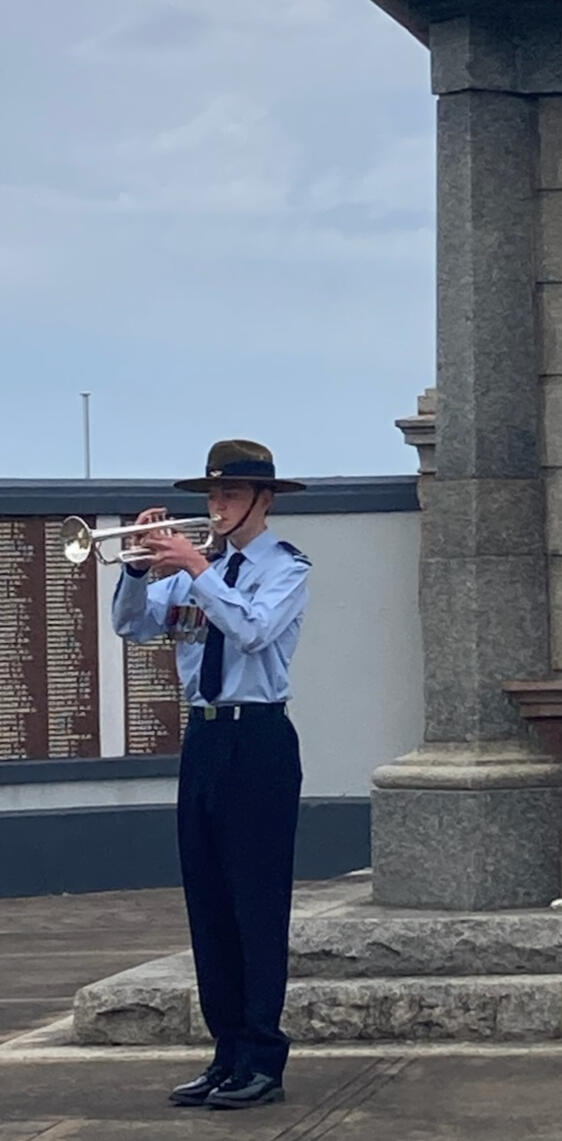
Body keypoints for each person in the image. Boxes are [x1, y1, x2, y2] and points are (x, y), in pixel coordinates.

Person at [112, 439, 309, 1110]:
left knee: (256, 903)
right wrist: (138, 568)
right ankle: (226, 1053)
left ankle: (262, 1056)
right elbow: (131, 625)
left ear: (264, 499)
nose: (216, 506)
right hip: (202, 737)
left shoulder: (285, 567)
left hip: (257, 738)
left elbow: (252, 631)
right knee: (209, 903)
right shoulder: (197, 566)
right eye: (211, 495)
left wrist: (198, 567)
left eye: (228, 495)